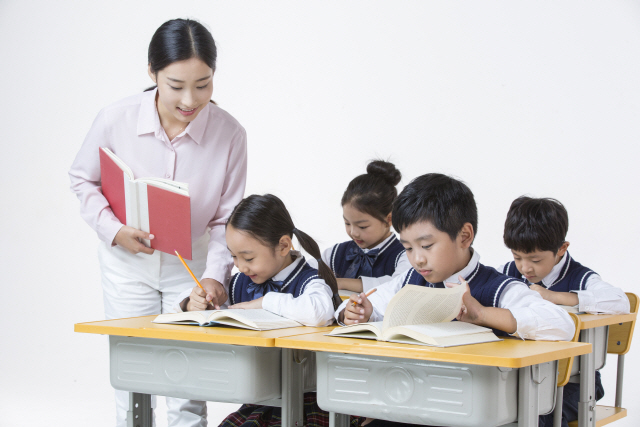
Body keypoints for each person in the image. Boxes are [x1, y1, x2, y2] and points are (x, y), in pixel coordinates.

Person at [68, 18, 247, 427]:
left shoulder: (231, 134)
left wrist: (216, 276)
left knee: (187, 384)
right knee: (131, 380)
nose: (190, 99)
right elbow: (83, 178)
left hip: (192, 268)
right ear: (152, 72)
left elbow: (226, 218)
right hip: (126, 266)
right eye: (176, 85)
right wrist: (114, 230)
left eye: (203, 85)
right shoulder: (116, 118)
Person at [336, 173, 575, 427]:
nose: (417, 259)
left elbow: (563, 324)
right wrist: (354, 312)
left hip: (479, 411)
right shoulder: (407, 281)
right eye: (407, 248)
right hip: (420, 405)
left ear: (464, 236)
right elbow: (357, 305)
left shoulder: (498, 288)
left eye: (426, 246)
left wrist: (484, 315)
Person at [173, 194, 359, 427]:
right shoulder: (241, 282)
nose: (240, 266)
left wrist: (263, 302)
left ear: (283, 246)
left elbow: (318, 312)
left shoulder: (309, 281)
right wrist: (193, 302)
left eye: (248, 257)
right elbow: (182, 300)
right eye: (233, 256)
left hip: (312, 400)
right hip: (261, 399)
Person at [500, 196, 630, 427]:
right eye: (517, 257)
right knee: (494, 414)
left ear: (561, 249)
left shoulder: (579, 277)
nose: (525, 267)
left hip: (576, 384)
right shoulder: (508, 273)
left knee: (536, 419)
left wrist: (555, 297)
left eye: (535, 259)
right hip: (525, 378)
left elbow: (620, 302)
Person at [318, 160, 410, 294]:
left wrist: (342, 283)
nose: (353, 232)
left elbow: (399, 285)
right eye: (347, 223)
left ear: (389, 219)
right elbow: (307, 274)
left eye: (362, 227)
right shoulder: (334, 254)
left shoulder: (405, 255)